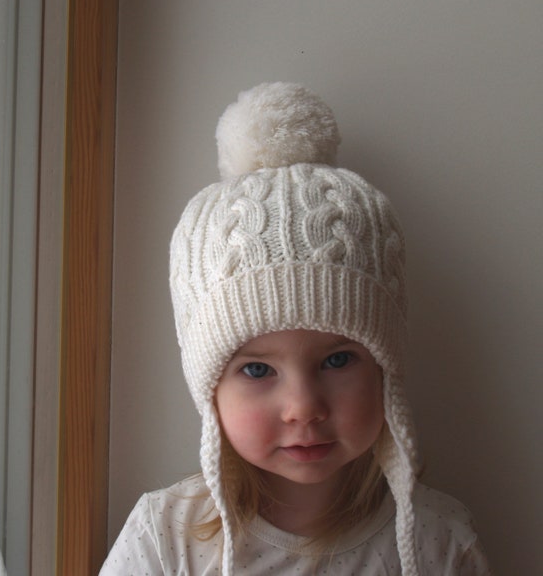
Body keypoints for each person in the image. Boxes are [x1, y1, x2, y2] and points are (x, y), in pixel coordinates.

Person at [100, 82, 491, 575]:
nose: (304, 407)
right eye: (258, 369)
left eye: (338, 359)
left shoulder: (439, 539)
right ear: (209, 387)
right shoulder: (165, 536)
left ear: (384, 369)